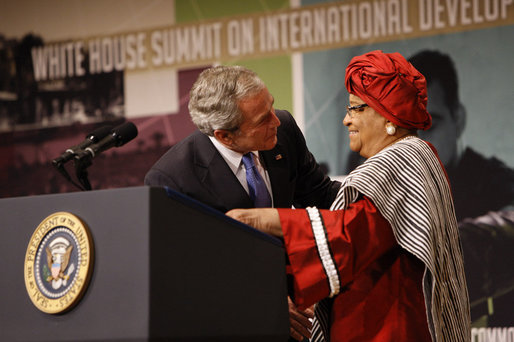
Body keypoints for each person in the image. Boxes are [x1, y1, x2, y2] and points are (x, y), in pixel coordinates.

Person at [227, 50, 471, 341]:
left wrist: (263, 220)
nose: (346, 120)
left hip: (385, 328)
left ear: (387, 115)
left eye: (356, 108)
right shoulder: (417, 158)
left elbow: (351, 235)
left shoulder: (401, 162)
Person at [144, 65, 341, 341]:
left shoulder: (283, 132)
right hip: (233, 320)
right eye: (263, 119)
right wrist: (262, 301)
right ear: (224, 135)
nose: (277, 121)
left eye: (272, 106)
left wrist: (373, 196)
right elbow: (187, 274)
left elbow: (321, 195)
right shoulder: (172, 179)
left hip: (301, 306)